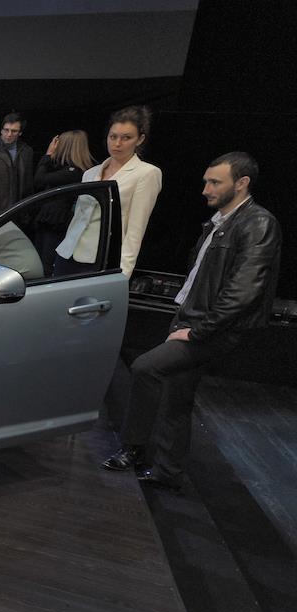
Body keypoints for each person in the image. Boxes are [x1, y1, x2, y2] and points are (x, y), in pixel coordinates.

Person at [102, 152, 281, 489]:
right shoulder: (220, 222)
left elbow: (244, 291)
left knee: (145, 367)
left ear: (241, 183)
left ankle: (134, 448)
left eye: (215, 182)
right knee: (177, 392)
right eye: (206, 181)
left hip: (214, 327)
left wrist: (199, 330)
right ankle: (167, 471)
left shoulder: (258, 223)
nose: (206, 189)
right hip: (191, 316)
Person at [55, 106, 162, 277]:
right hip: (68, 253)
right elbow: (79, 217)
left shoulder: (146, 173)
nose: (117, 143)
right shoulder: (91, 173)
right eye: (113, 137)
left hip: (102, 260)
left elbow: (135, 230)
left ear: (140, 139)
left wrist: (122, 274)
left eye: (126, 138)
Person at [32, 130, 94, 275]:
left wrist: (48, 155)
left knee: (46, 266)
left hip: (56, 223)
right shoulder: (69, 169)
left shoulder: (73, 172)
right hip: (51, 221)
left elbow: (39, 179)